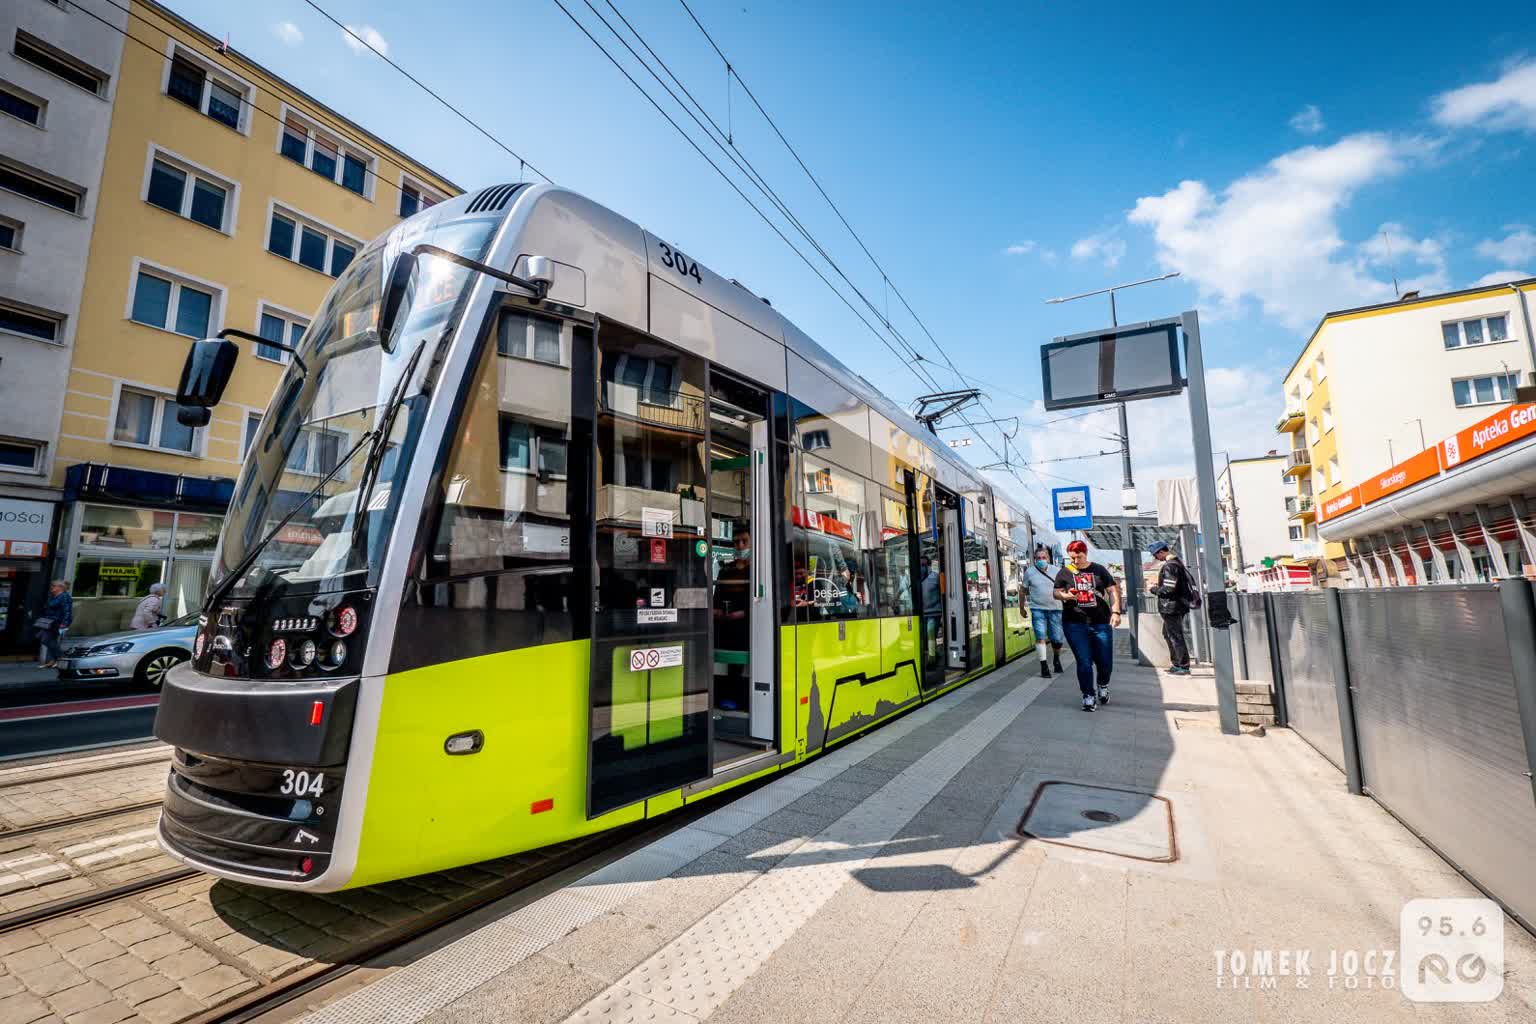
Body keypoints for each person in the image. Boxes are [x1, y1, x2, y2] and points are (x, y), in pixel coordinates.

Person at [1053, 540, 1121, 711]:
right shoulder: (1065, 572)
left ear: (1086, 553)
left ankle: (1103, 685)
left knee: (1105, 663)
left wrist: (1116, 612)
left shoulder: (1099, 570)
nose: (1076, 561)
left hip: (1100, 623)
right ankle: (1088, 695)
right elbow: (1056, 592)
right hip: (1075, 624)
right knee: (1084, 661)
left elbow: (1112, 590)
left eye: (1079, 557)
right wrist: (1067, 596)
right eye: (1072, 558)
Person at [713, 527, 752, 709]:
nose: (740, 545)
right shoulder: (726, 569)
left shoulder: (758, 569)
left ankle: (740, 700)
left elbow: (760, 600)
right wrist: (717, 611)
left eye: (744, 541)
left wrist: (743, 613)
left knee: (740, 668)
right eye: (736, 542)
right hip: (725, 625)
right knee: (729, 666)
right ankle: (728, 698)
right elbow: (717, 597)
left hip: (747, 626)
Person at [1147, 540, 1193, 675]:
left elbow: (1168, 589)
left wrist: (1153, 588)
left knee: (1175, 636)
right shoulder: (1176, 563)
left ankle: (1183, 666)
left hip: (1171, 607)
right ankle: (1177, 663)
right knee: (1168, 634)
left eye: (1155, 555)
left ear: (1161, 552)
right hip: (1176, 606)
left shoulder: (1170, 566)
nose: (1155, 558)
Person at [1022, 544, 1065, 679]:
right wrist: (1021, 607)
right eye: (1038, 558)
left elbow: (1064, 589)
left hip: (1056, 609)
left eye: (1043, 557)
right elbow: (1023, 590)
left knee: (1057, 639)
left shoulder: (1057, 571)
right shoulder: (1029, 572)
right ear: (1034, 559)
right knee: (1040, 637)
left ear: (1048, 558)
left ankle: (1056, 659)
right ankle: (1044, 666)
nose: (1041, 560)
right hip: (1038, 609)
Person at [34, 579, 74, 669]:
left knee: (46, 639)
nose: (51, 588)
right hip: (50, 622)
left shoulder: (64, 596)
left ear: (60, 588)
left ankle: (61, 658)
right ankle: (54, 661)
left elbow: (67, 611)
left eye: (54, 586)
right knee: (48, 639)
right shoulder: (56, 596)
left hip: (57, 623)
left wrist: (65, 623)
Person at [919, 555, 942, 665]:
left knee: (930, 634)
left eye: (924, 565)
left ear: (929, 566)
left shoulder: (936, 577)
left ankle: (931, 662)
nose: (922, 567)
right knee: (924, 637)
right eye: (920, 565)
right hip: (922, 613)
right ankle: (935, 654)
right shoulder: (917, 579)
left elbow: (943, 594)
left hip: (934, 612)